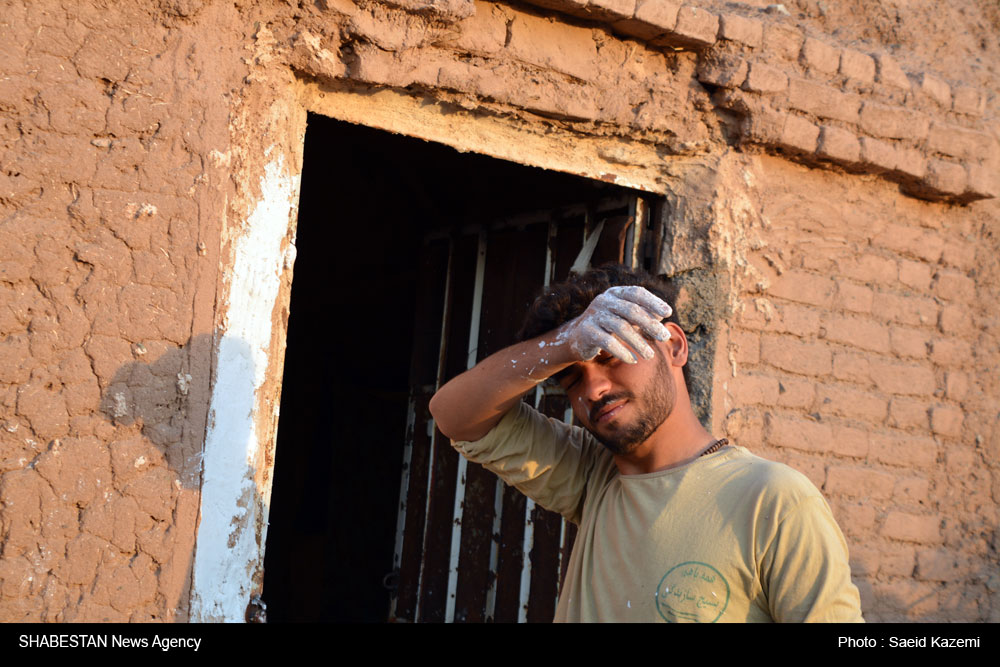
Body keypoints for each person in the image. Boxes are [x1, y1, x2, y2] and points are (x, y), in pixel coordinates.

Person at [429, 264, 864, 623]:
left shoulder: (773, 499)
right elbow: (453, 414)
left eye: (609, 356)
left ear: (673, 346)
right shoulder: (592, 476)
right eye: (573, 378)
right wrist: (563, 344)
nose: (593, 390)